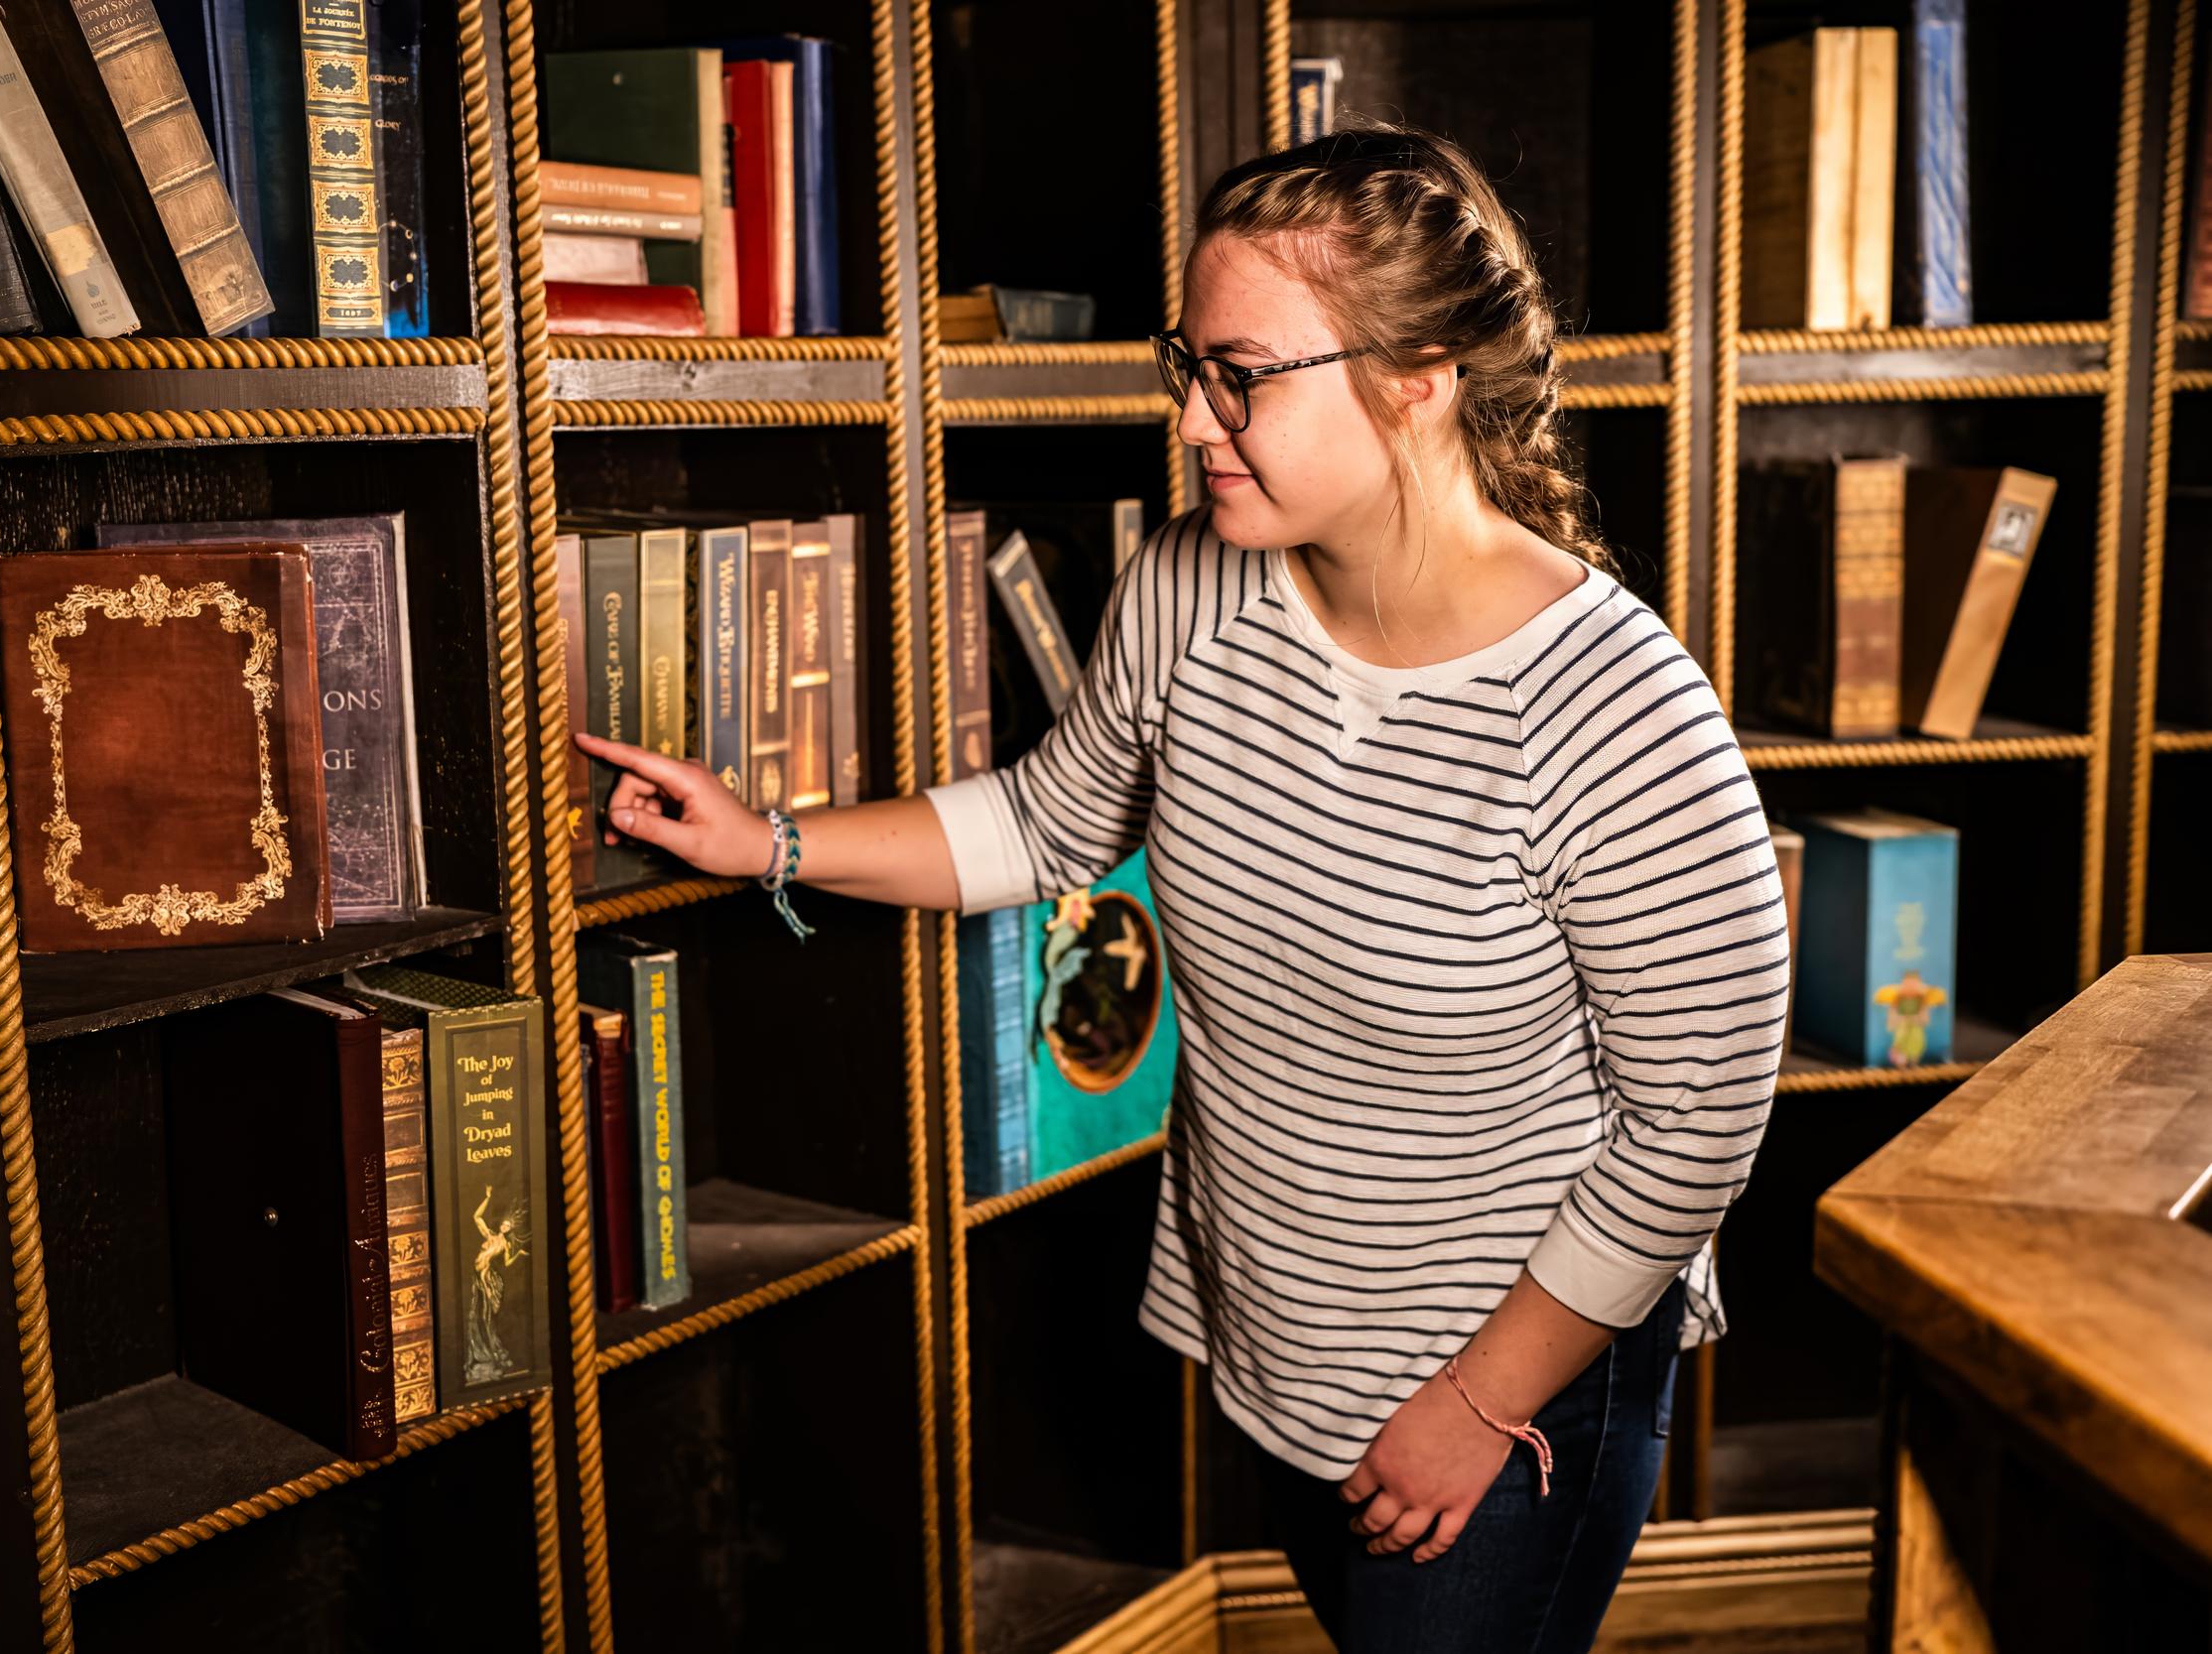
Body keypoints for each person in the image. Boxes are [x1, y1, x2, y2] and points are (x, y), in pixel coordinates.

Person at [573, 117, 1789, 1654]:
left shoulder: (1619, 709)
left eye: (1245, 375)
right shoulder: (1187, 584)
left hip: (1513, 1383)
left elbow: (1701, 1118)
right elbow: (1046, 821)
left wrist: (1479, 1402)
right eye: (1187, 367)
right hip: (1281, 1343)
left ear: (1420, 381)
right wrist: (769, 843)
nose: (1198, 423)